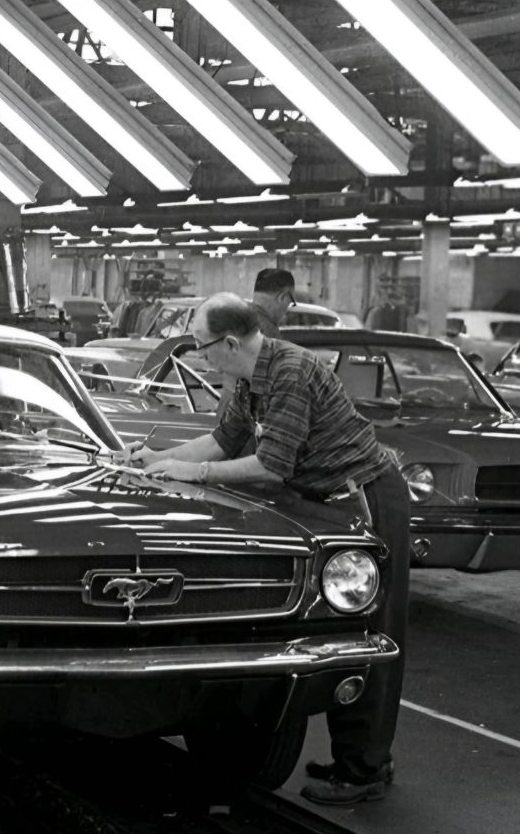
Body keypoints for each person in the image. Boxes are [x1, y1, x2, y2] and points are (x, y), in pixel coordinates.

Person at [125, 293, 411, 806]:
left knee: (368, 626)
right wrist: (156, 460)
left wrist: (193, 473)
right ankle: (361, 758)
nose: (201, 358)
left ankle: (363, 768)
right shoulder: (248, 379)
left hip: (366, 496)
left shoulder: (291, 372)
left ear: (230, 342)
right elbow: (223, 440)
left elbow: (270, 466)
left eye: (201, 347)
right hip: (321, 496)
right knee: (332, 621)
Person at [251, 267, 296, 336]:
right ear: (282, 297)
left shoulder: (234, 319)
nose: (287, 309)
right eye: (290, 301)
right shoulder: (268, 331)